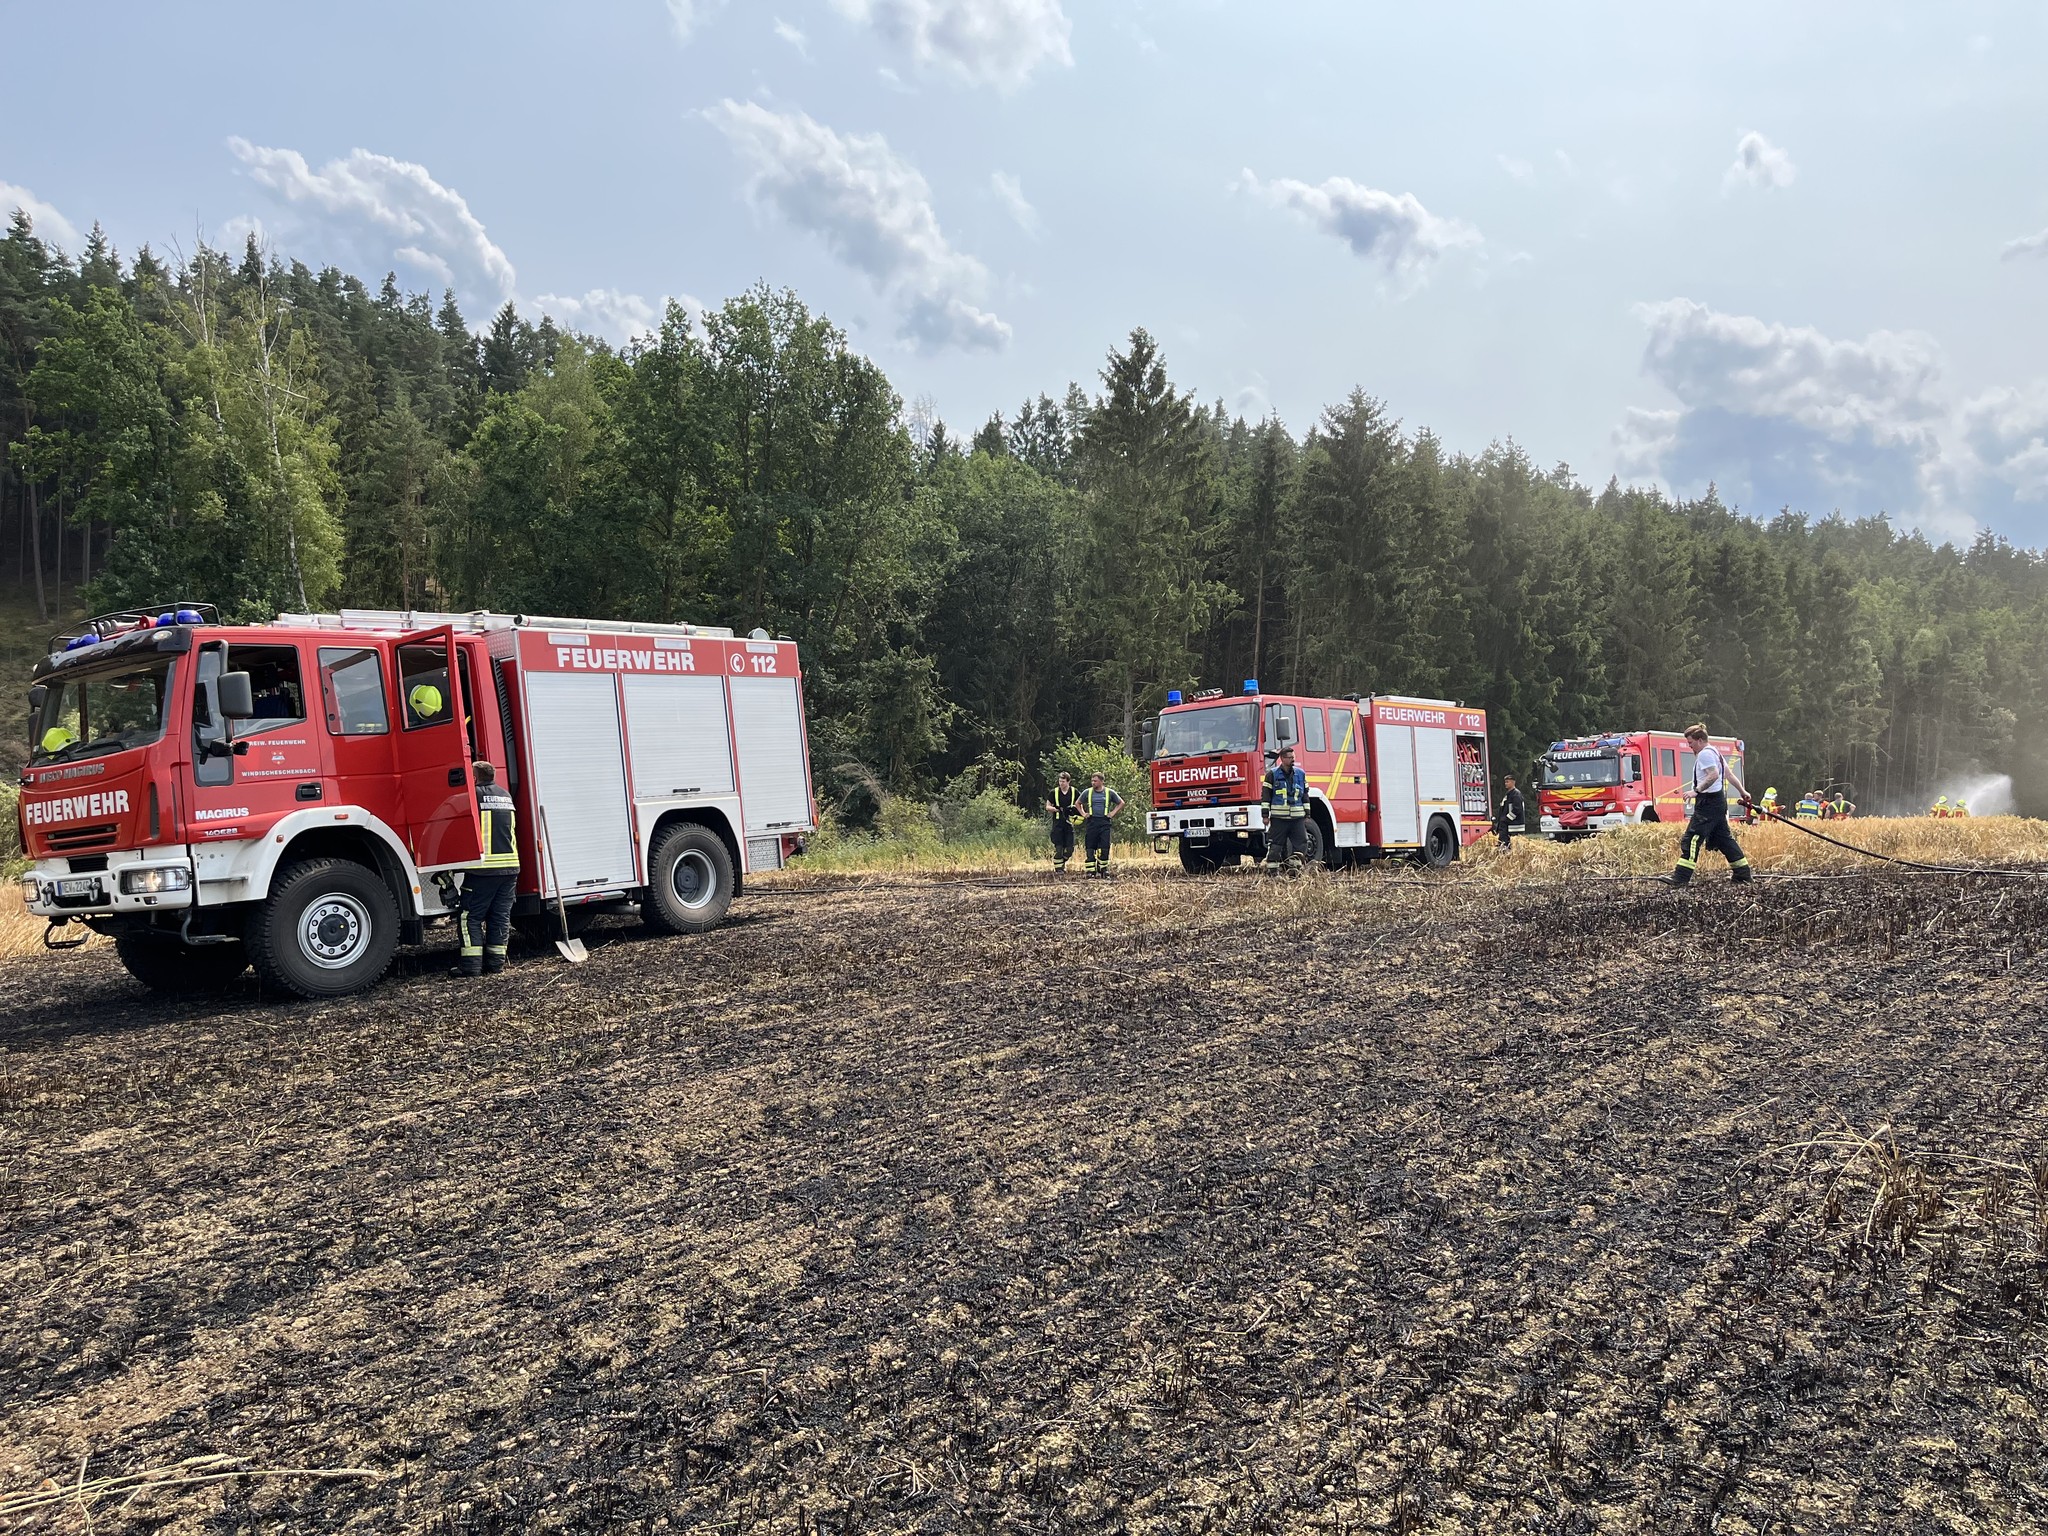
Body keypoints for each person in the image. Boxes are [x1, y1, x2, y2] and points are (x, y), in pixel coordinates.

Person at [455, 760, 521, 977]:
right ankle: (495, 964)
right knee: (499, 917)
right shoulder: (505, 795)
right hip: (510, 868)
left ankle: (471, 967)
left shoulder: (473, 796)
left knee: (470, 917)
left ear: (474, 777)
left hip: (483, 870)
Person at [1669, 723, 1752, 887]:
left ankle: (1680, 878)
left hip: (1708, 803)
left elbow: (1713, 775)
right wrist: (1742, 791)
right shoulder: (1716, 753)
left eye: (1690, 743)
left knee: (1692, 839)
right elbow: (1727, 774)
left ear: (1700, 740)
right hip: (1718, 802)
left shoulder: (1705, 754)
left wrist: (1696, 791)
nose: (1689, 746)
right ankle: (1742, 874)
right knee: (1723, 839)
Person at [1263, 744, 1312, 871]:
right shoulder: (1271, 775)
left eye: (1293, 757)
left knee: (1302, 843)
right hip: (1279, 818)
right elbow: (1266, 797)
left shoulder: (1300, 774)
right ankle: (1273, 871)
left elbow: (1305, 795)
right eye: (1290, 757)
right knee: (1276, 845)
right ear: (1282, 759)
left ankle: (1294, 870)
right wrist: (1265, 815)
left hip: (1297, 818)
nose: (1293, 760)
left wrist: (1307, 814)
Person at [1079, 771, 1124, 878]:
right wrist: (1083, 814)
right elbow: (1078, 803)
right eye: (1092, 781)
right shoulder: (1087, 792)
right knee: (1090, 846)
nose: (1093, 783)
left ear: (1101, 781)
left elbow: (1121, 802)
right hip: (1092, 822)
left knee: (1104, 846)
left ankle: (1103, 869)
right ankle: (1090, 871)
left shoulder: (1109, 792)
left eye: (1095, 781)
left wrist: (1112, 813)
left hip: (1104, 822)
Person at [1044, 771, 1081, 872]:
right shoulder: (1054, 792)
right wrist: (1054, 809)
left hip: (1069, 823)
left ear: (1068, 782)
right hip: (1058, 823)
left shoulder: (1074, 792)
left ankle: (1063, 861)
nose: (1061, 783)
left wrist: (1077, 811)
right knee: (1059, 849)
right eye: (1060, 781)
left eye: (1063, 781)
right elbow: (1047, 806)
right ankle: (1058, 869)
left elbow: (1080, 805)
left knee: (1069, 849)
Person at [1495, 774, 1524, 851]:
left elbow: (1517, 809)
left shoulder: (1516, 794)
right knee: (1503, 842)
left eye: (1507, 782)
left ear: (1513, 782)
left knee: (1509, 844)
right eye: (1505, 782)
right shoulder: (1508, 794)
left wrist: (1506, 819)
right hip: (1506, 825)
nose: (1506, 784)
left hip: (1513, 825)